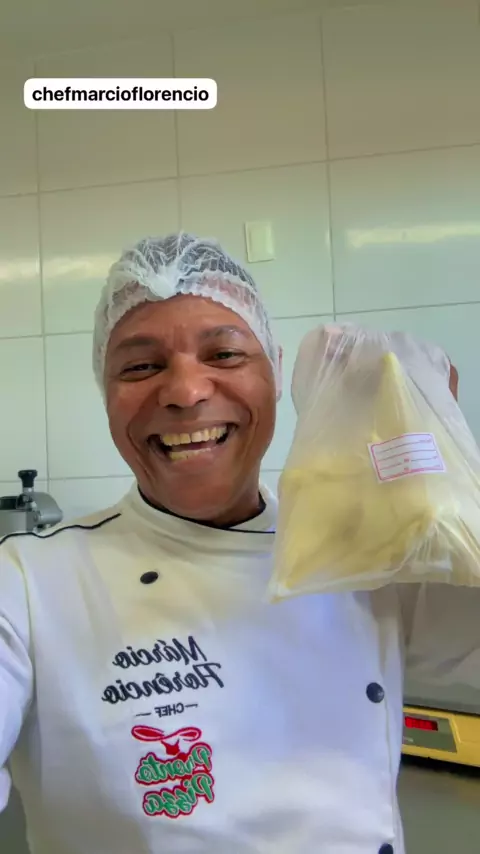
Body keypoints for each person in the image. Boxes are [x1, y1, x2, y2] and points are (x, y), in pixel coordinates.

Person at [0, 232, 478, 854]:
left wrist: (438, 471)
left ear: (275, 374)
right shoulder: (28, 581)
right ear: (105, 392)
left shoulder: (369, 552)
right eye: (140, 366)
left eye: (224, 354)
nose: (186, 391)